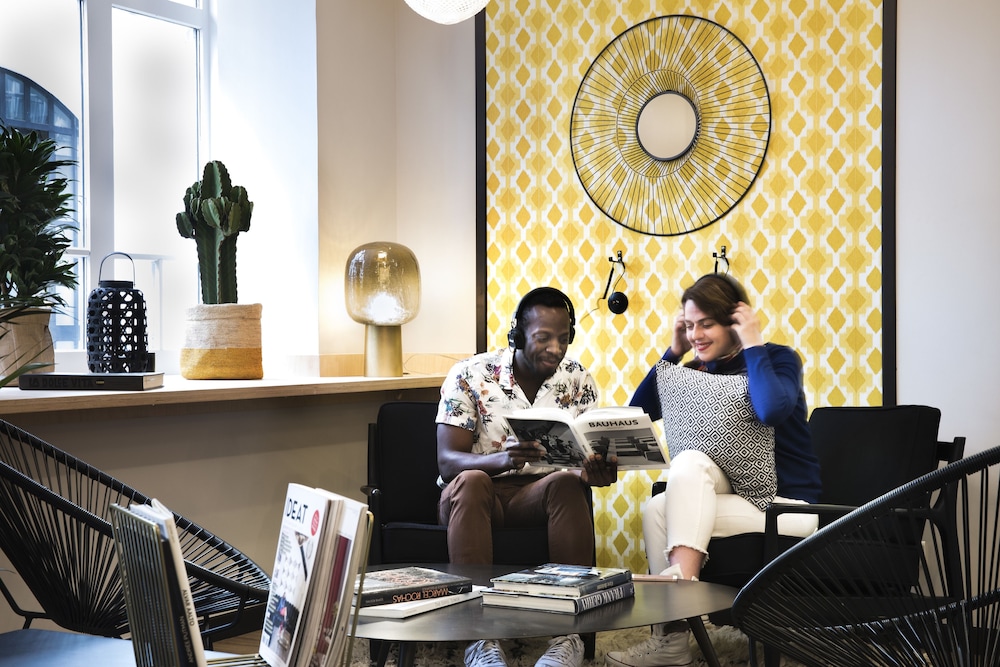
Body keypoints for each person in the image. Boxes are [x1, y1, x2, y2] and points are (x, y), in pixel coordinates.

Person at [605, 274, 821, 667]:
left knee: (681, 473)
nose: (697, 335)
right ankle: (672, 642)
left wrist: (752, 342)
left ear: (734, 321)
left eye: (706, 324)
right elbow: (638, 412)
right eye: (689, 325)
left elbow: (771, 409)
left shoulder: (776, 358)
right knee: (656, 507)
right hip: (732, 497)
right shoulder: (695, 369)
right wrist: (673, 351)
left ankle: (679, 594)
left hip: (787, 506)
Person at [437, 286, 618, 667]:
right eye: (543, 338)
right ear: (518, 334)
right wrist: (502, 460)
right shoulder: (471, 374)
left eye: (564, 338)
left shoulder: (577, 380)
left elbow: (579, 462)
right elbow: (447, 462)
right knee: (472, 482)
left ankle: (568, 639)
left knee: (568, 484)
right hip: (472, 497)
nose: (556, 348)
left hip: (536, 497)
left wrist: (595, 473)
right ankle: (480, 639)